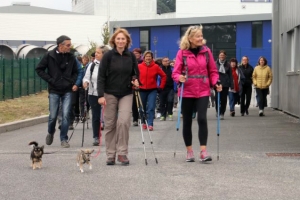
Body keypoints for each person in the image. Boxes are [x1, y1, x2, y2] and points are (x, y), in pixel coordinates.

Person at [172, 25, 221, 162]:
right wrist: (178, 78)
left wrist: (216, 82)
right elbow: (175, 72)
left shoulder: (206, 52)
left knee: (202, 119)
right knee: (187, 121)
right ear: (190, 38)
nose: (201, 38)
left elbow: (213, 71)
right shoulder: (182, 53)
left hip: (203, 90)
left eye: (201, 36)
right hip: (187, 91)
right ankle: (189, 151)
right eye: (198, 36)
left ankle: (203, 151)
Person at [97, 28, 139, 165]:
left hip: (126, 93)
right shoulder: (108, 56)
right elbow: (101, 76)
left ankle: (122, 153)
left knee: (124, 122)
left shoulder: (131, 56)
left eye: (123, 39)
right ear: (114, 40)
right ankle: (110, 154)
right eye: (118, 39)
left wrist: (135, 79)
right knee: (110, 124)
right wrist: (100, 95)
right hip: (109, 93)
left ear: (127, 41)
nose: (121, 41)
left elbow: (135, 73)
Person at [36, 35, 78, 148]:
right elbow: (39, 69)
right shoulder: (49, 55)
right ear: (60, 45)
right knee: (53, 116)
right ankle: (50, 132)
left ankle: (64, 139)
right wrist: (50, 80)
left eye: (70, 45)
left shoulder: (71, 57)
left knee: (65, 116)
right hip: (54, 90)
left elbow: (76, 71)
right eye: (68, 45)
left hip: (67, 90)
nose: (70, 47)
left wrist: (72, 81)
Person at [83, 45, 110, 146]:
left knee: (109, 116)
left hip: (107, 93)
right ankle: (96, 137)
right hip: (93, 93)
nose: (95, 54)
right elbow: (86, 77)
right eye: (96, 52)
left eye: (98, 53)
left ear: (104, 54)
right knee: (95, 116)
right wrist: (85, 82)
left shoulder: (110, 65)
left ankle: (110, 136)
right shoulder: (92, 65)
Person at [138, 51, 167, 131]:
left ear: (152, 58)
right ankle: (144, 122)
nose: (148, 58)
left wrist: (161, 86)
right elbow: (134, 76)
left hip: (152, 90)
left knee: (151, 107)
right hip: (141, 89)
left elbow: (164, 76)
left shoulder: (156, 67)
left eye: (149, 56)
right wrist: (135, 84)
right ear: (144, 58)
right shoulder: (139, 66)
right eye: (146, 56)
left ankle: (150, 124)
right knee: (141, 108)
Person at [215, 50, 233, 120]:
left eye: (223, 55)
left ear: (225, 56)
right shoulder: (214, 63)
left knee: (223, 99)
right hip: (217, 83)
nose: (222, 56)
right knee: (217, 98)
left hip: (225, 84)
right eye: (220, 55)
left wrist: (231, 85)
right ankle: (217, 111)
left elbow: (230, 75)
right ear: (218, 56)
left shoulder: (228, 65)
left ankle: (222, 112)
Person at [158, 57, 176, 121]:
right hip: (162, 88)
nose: (167, 62)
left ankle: (170, 113)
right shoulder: (159, 69)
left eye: (168, 60)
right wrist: (158, 86)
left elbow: (175, 78)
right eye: (165, 61)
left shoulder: (172, 69)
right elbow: (157, 78)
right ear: (162, 62)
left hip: (170, 88)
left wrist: (175, 87)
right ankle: (163, 115)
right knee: (162, 102)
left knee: (170, 101)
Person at [132, 48, 143, 126]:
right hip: (133, 84)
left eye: (137, 53)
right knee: (134, 103)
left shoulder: (143, 61)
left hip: (142, 84)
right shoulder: (131, 61)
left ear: (140, 54)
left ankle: (142, 117)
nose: (136, 54)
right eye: (134, 53)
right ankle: (135, 118)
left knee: (142, 102)